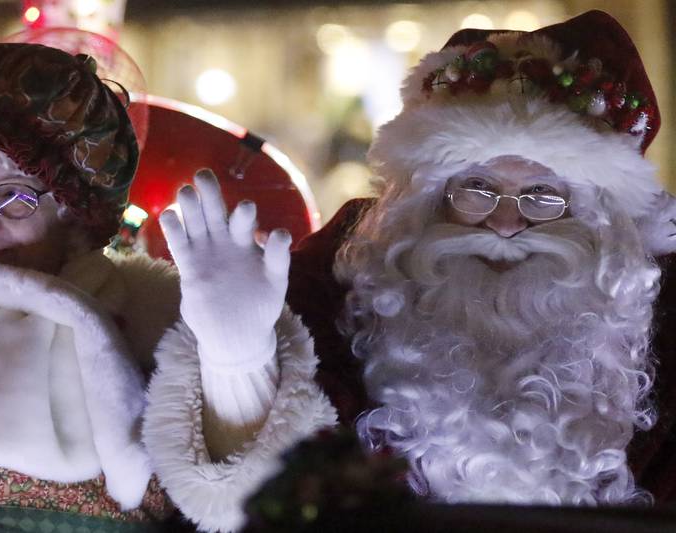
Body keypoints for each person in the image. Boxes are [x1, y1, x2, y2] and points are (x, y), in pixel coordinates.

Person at [152, 10, 676, 531]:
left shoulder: (664, 319)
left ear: (595, 218)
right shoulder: (336, 281)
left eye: (543, 196)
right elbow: (254, 506)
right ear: (427, 199)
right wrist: (237, 360)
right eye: (477, 190)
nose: (505, 222)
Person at [0, 42, 336, 532]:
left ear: (73, 215)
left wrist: (236, 360)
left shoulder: (153, 329)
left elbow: (256, 509)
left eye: (15, 196)